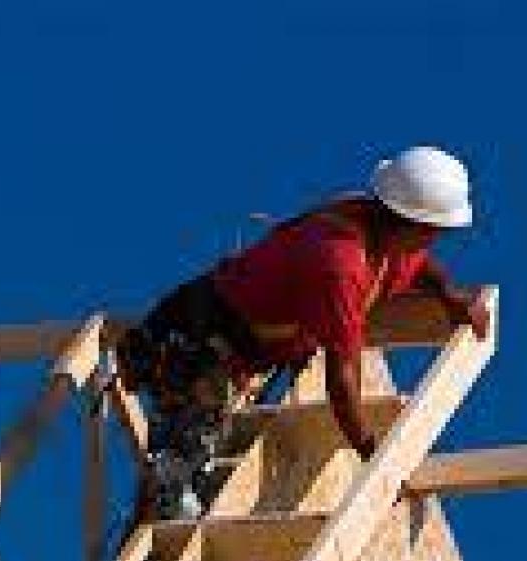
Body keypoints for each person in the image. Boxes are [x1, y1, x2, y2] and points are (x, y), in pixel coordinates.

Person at [116, 146, 491, 520]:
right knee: (177, 486)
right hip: (195, 342)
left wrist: (446, 291)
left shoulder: (380, 224)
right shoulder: (341, 265)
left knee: (201, 468)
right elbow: (342, 379)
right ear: (414, 225)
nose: (437, 240)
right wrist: (370, 452)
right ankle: (161, 517)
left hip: (236, 341)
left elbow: (417, 263)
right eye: (436, 231)